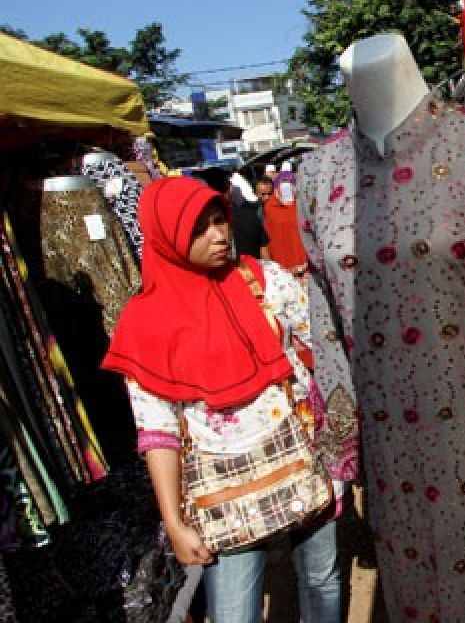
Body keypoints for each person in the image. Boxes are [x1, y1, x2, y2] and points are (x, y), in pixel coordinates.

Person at [100, 177, 345, 623]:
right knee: (234, 612)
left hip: (302, 462)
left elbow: (327, 344)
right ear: (166, 235)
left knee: (322, 579)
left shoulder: (261, 280)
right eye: (199, 228)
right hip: (224, 494)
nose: (218, 235)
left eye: (219, 220)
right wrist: (174, 523)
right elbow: (159, 434)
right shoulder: (145, 326)